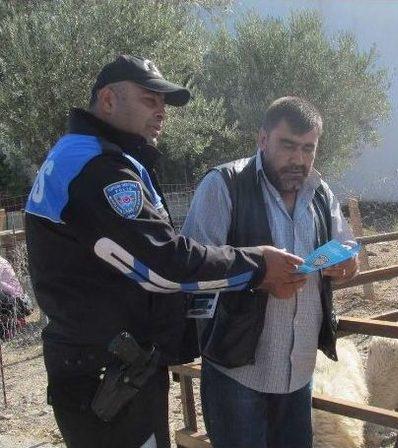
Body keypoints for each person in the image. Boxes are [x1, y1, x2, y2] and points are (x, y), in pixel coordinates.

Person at [24, 55, 305, 448]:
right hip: (105, 375)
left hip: (103, 365)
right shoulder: (98, 167)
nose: (161, 113)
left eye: (163, 104)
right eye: (149, 100)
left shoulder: (86, 154)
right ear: (108, 100)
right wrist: (259, 264)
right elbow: (164, 264)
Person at [181, 96, 359, 448]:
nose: (298, 158)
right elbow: (191, 271)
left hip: (300, 376)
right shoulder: (223, 185)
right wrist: (257, 279)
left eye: (308, 148)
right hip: (237, 373)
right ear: (263, 139)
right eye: (288, 145)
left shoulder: (321, 193)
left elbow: (347, 244)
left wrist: (347, 264)